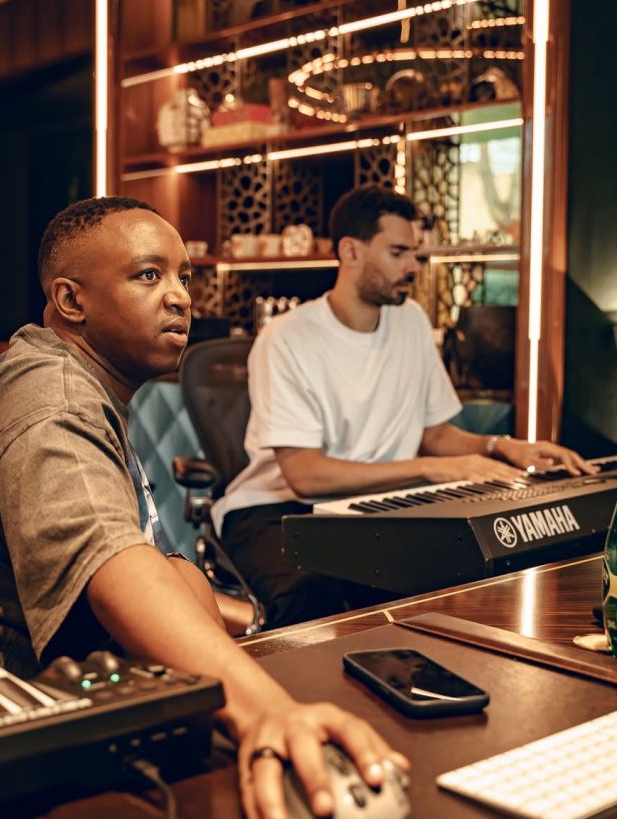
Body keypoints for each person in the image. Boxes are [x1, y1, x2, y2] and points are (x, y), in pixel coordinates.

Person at [0, 196, 407, 819]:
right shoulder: (50, 394)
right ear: (71, 300)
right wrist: (269, 713)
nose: (180, 297)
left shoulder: (86, 394)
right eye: (148, 275)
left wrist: (180, 590)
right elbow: (117, 565)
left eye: (184, 277)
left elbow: (172, 580)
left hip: (23, 698)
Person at [213, 185, 594, 630]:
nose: (414, 266)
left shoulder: (411, 320)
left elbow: (435, 434)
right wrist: (430, 469)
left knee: (452, 577)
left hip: (374, 506)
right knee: (314, 597)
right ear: (350, 251)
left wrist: (502, 446)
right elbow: (306, 475)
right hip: (274, 509)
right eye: (398, 252)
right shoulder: (287, 338)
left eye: (414, 252)